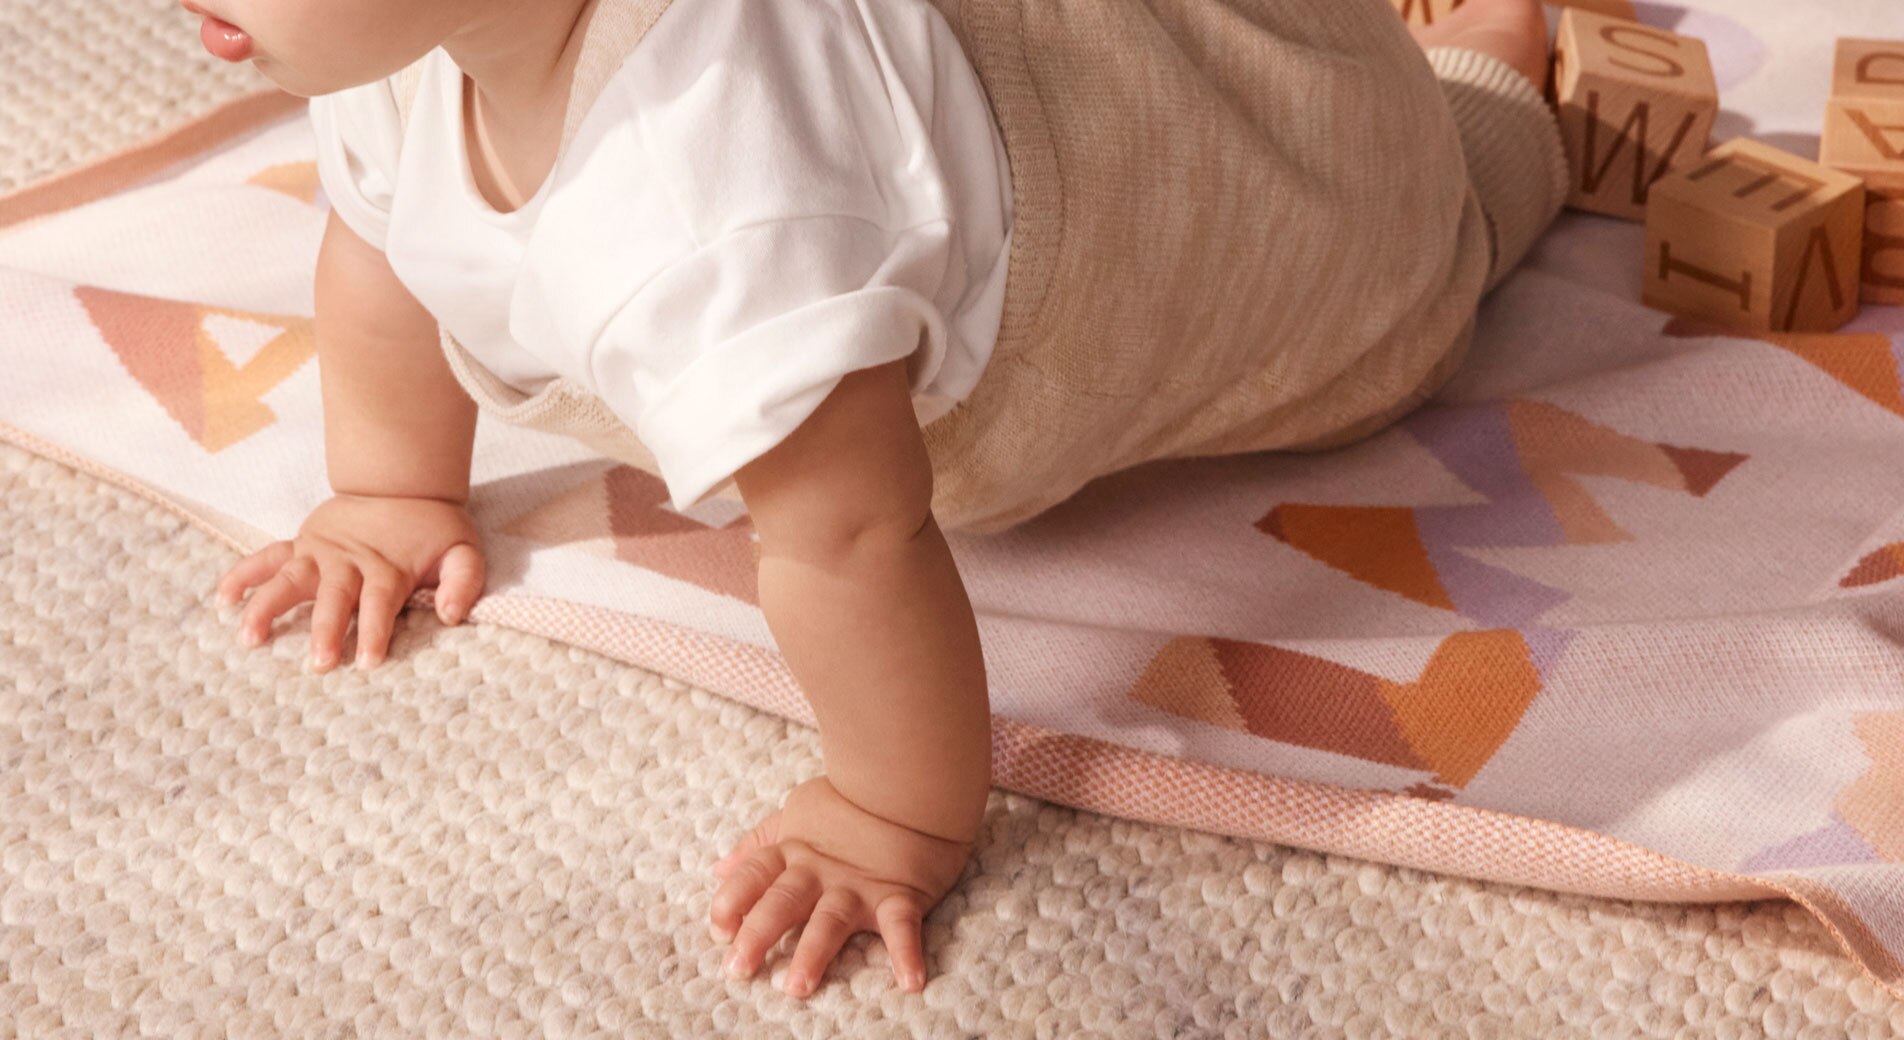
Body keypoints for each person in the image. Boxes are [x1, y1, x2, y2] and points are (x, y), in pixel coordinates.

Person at [203, 0, 1565, 1000]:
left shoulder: (713, 186)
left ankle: (1499, 51)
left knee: (1434, 221)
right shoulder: (411, 44)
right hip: (1013, 67)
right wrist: (387, 488)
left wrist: (896, 806)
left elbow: (848, 530)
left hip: (1261, 195)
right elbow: (384, 239)